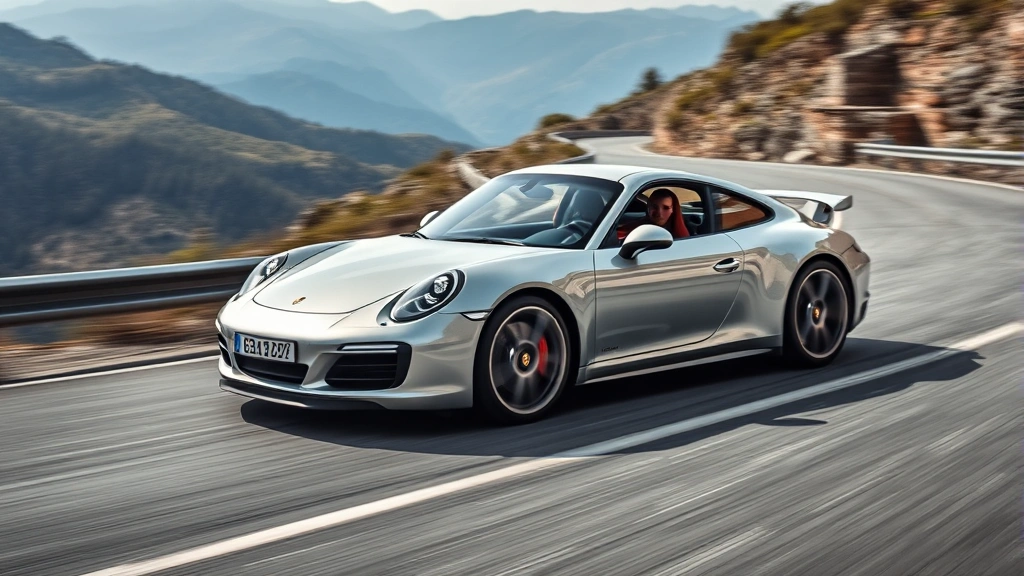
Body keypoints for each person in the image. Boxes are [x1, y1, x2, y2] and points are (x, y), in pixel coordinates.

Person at [617, 188, 690, 241]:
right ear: (648, 207)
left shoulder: (681, 236)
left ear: (673, 210)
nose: (659, 213)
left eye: (666, 208)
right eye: (654, 207)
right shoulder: (634, 229)